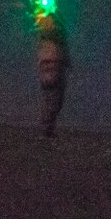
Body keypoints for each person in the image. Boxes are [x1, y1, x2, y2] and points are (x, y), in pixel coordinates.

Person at [34, 10, 71, 138]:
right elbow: (61, 41)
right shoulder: (52, 34)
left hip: (50, 66)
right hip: (53, 65)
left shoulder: (43, 35)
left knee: (51, 98)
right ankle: (46, 130)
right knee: (53, 98)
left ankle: (47, 129)